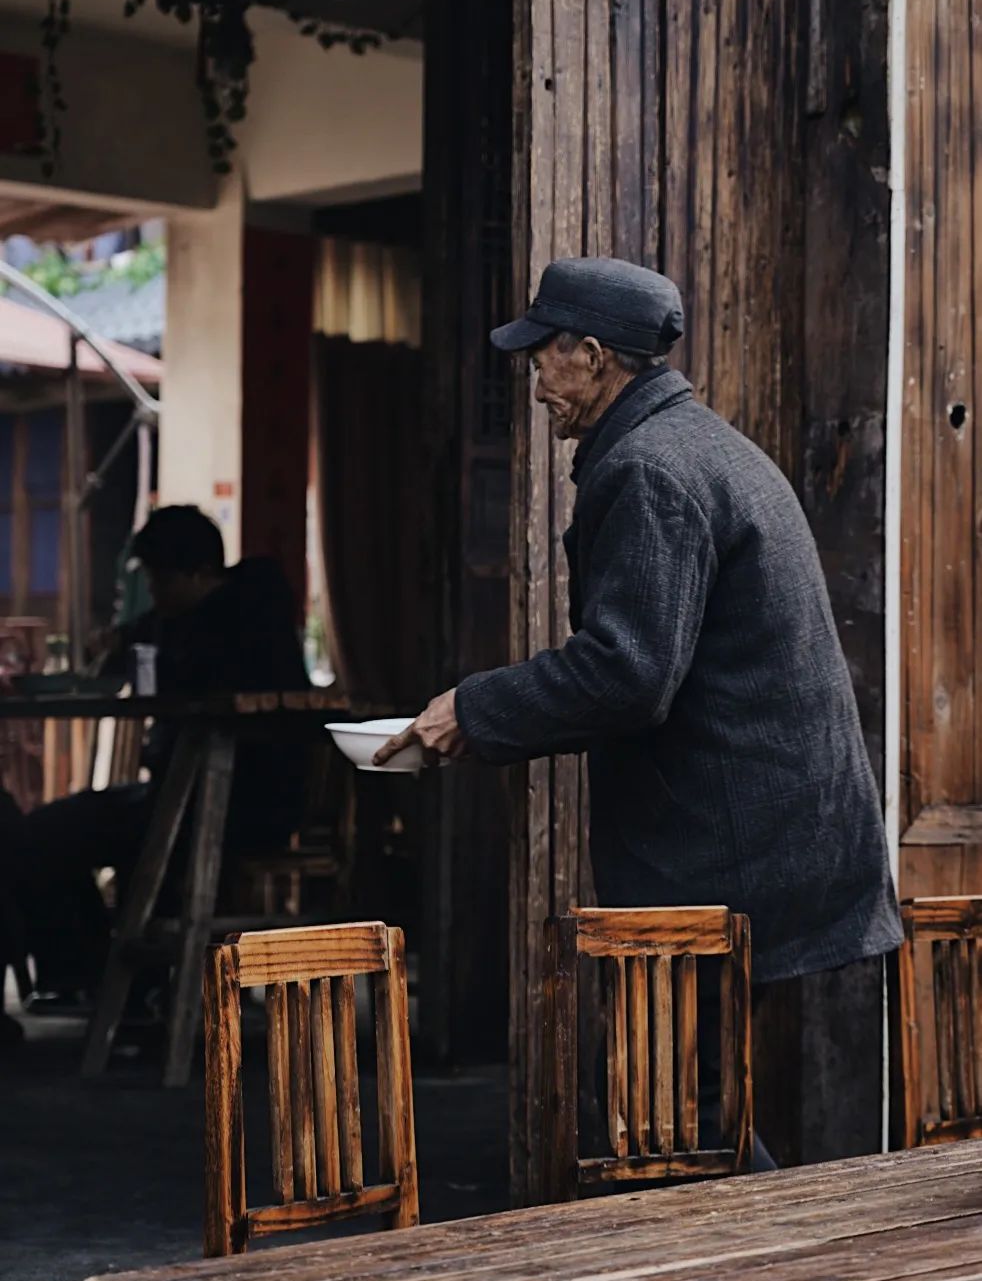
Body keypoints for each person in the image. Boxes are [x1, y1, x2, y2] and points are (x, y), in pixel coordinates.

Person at [376, 256, 904, 1166]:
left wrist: (474, 706)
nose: (533, 380)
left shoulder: (651, 469)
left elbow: (628, 673)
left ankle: (765, 1254)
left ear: (592, 355)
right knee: (676, 1105)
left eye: (542, 355)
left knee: (661, 1108)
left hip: (730, 851)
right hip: (768, 840)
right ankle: (757, 1251)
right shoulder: (700, 444)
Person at [16, 505, 309, 1011]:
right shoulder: (180, 619)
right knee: (41, 833)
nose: (155, 593)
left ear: (199, 573)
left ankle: (102, 981)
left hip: (238, 804)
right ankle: (99, 979)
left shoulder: (249, 618)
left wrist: (145, 646)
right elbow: (141, 637)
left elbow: (202, 668)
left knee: (48, 838)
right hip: (178, 795)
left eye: (161, 581)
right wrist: (119, 641)